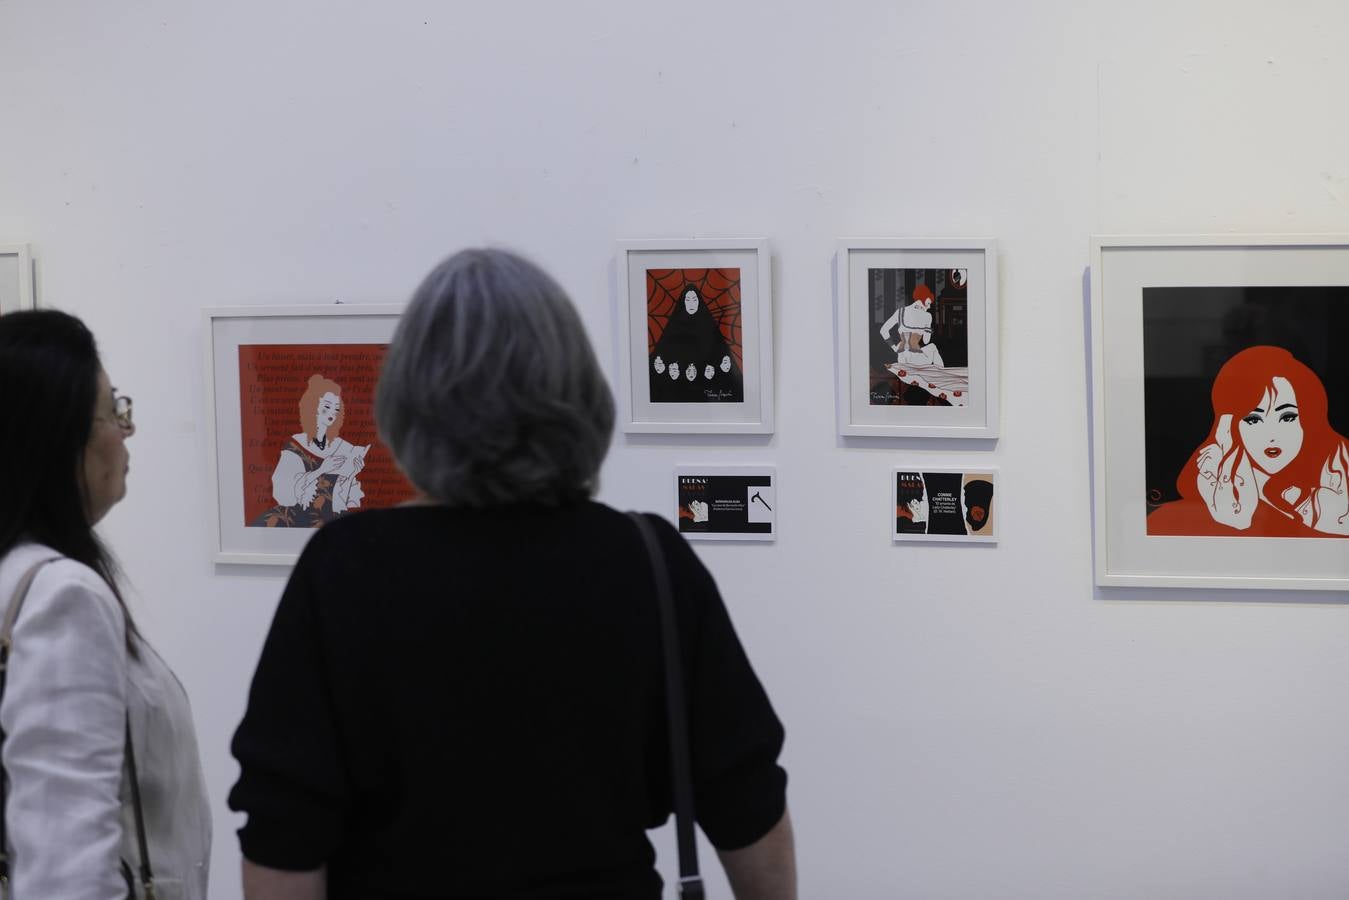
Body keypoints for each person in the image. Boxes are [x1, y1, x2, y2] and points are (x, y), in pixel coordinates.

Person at [230, 249, 796, 899]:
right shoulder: (647, 559)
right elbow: (745, 797)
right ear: (574, 390)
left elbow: (284, 833)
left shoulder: (345, 568)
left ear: (409, 397)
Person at [0, 310, 211, 897]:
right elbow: (65, 865)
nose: (127, 431)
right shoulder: (61, 594)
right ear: (61, 438)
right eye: (114, 411)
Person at [1148, 345, 1349, 536]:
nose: (1272, 435)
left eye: (1287, 417)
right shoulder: (1182, 512)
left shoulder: (1337, 471)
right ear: (1229, 427)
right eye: (1253, 419)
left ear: (1309, 418)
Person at [251, 373, 368, 527]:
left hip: (332, 518)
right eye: (327, 406)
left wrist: (352, 473)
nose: (332, 412)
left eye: (336, 408)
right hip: (298, 517)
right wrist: (321, 470)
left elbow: (343, 499)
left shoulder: (342, 446)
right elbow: (283, 494)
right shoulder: (296, 445)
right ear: (312, 406)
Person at [650, 283, 744, 403]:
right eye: (688, 300)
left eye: (694, 299)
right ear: (683, 302)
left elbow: (725, 367)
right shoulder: (674, 328)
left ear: (699, 302)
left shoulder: (709, 327)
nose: (691, 303)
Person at [879, 284, 945, 368]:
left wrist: (894, 348)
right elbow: (926, 341)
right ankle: (941, 372)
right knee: (932, 347)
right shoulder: (927, 316)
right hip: (915, 358)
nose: (929, 307)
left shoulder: (900, 312)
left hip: (902, 356)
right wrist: (928, 330)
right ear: (922, 299)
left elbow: (883, 330)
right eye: (928, 303)